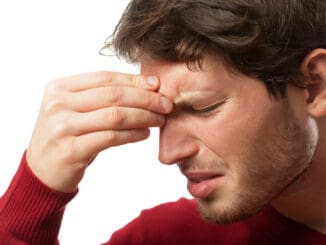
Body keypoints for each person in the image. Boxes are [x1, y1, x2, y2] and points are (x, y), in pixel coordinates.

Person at [1, 0, 326, 244]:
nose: (168, 154)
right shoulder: (164, 238)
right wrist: (37, 190)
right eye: (162, 116)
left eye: (203, 107)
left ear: (314, 86)